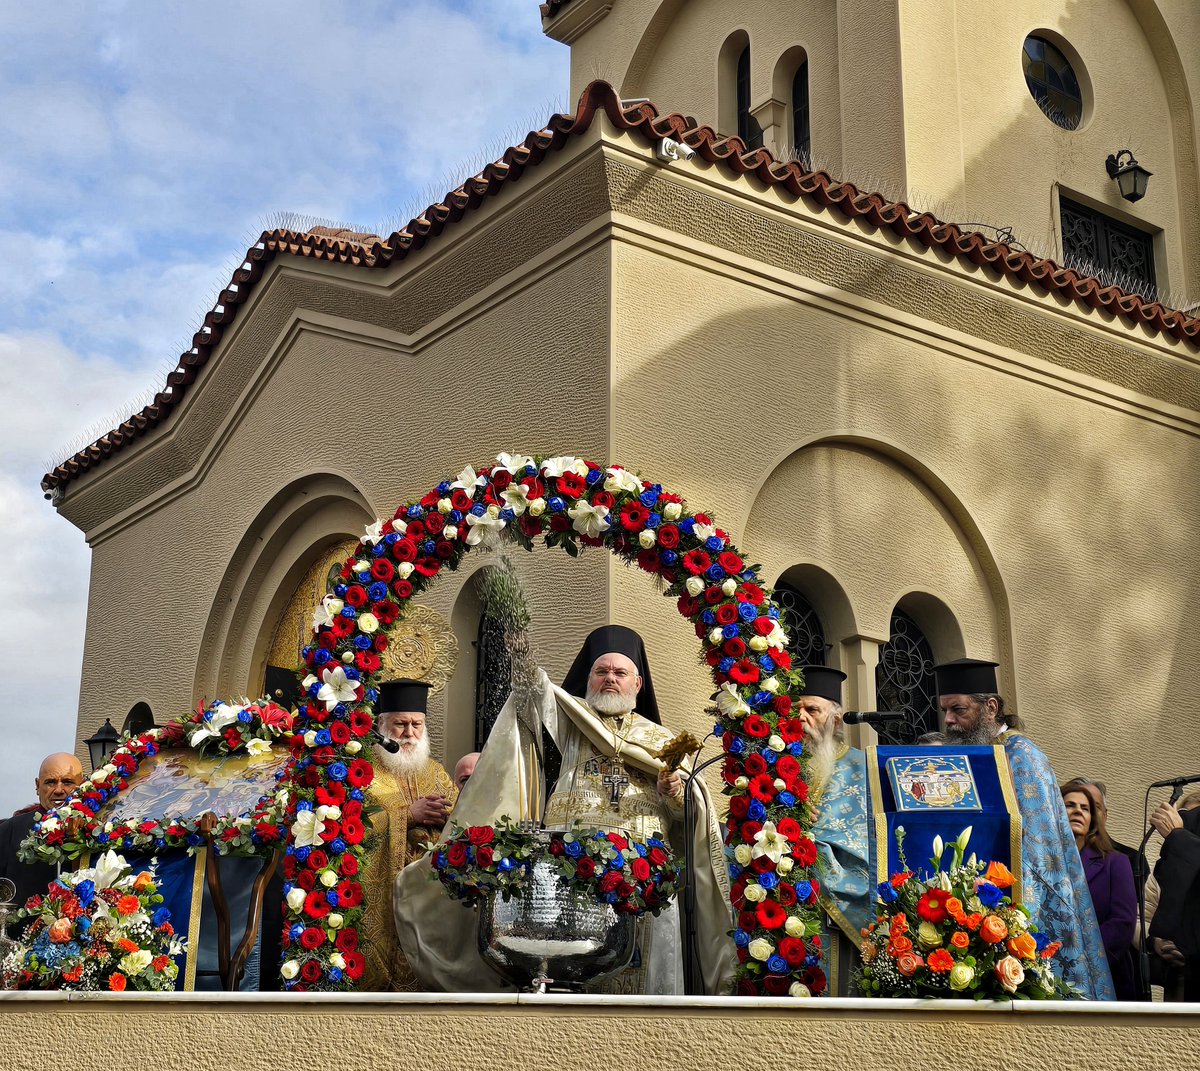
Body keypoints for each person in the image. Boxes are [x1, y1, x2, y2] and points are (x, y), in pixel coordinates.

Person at [394, 625, 735, 995]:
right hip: (569, 873)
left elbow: (689, 819)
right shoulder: (573, 723)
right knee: (567, 977)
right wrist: (522, 657)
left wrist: (672, 793)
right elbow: (535, 694)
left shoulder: (664, 741)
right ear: (588, 679)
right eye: (601, 671)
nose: (610, 680)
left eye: (620, 673)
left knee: (644, 987)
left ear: (638, 684)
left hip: (642, 877)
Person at [934, 658, 1115, 999]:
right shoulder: (979, 753)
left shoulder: (1022, 757)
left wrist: (1010, 911)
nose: (949, 721)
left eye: (958, 710)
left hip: (1019, 900)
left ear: (990, 708)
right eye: (945, 710)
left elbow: (1035, 848)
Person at [361, 678, 458, 990]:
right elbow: (352, 828)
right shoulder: (363, 772)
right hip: (381, 898)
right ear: (382, 725)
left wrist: (448, 819)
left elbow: (463, 823)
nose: (409, 733)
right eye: (400, 724)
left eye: (417, 725)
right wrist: (408, 815)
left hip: (428, 898)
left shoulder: (436, 773)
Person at [798, 666, 871, 995]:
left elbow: (864, 842)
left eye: (812, 710)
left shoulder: (862, 768)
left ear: (837, 721)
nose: (800, 718)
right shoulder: (777, 768)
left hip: (837, 918)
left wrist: (806, 841)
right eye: (794, 710)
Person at [1060, 781, 1138, 999]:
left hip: (1105, 975)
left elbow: (1122, 922)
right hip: (1049, 970)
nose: (1077, 811)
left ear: (1093, 820)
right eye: (1070, 805)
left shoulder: (1117, 863)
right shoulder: (1040, 863)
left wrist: (1078, 956)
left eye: (1085, 808)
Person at [0, 752, 84, 910]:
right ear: (38, 786)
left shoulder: (96, 831)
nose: (59, 790)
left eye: (67, 782)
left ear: (82, 784)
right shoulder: (10, 830)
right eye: (50, 782)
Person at [1148, 789, 1200, 1001]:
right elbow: (1141, 916)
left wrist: (1178, 837)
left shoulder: (1181, 842)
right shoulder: (1167, 867)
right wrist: (1156, 942)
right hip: (1180, 978)